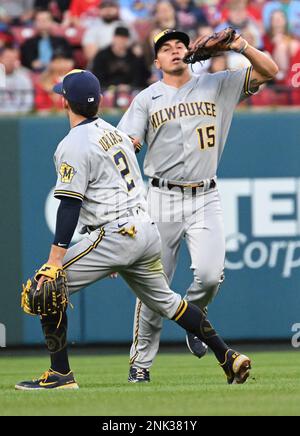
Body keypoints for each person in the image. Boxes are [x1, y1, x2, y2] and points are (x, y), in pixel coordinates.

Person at [15, 69, 252, 390]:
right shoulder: (116, 134)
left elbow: (70, 205)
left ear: (64, 103)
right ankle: (228, 356)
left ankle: (60, 375)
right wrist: (117, 253)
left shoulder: (72, 143)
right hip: (144, 230)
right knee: (169, 303)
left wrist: (55, 260)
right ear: (98, 101)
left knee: (47, 286)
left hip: (117, 233)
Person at [117, 28, 278, 382]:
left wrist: (241, 46)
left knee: (209, 276)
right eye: (165, 48)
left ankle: (194, 319)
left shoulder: (218, 83)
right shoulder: (146, 99)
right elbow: (125, 150)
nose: (174, 50)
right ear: (156, 60)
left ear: (189, 51)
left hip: (205, 196)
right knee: (153, 285)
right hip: (161, 197)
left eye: (179, 44)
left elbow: (271, 71)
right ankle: (140, 365)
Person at [0, 45, 34, 114]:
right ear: (1, 58)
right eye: (7, 58)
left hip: (18, 116)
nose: (10, 61)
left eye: (14, 58)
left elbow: (28, 102)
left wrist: (19, 114)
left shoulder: (24, 79)